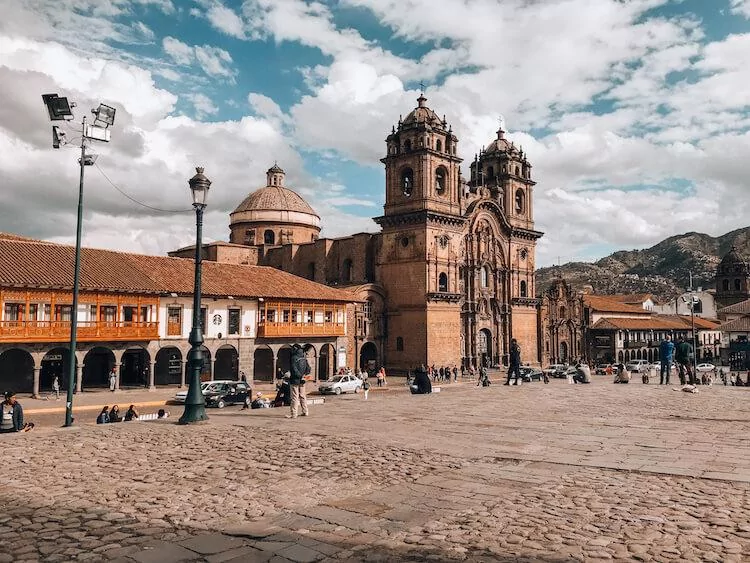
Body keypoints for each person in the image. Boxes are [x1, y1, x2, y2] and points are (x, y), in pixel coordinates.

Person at [287, 344, 310, 419]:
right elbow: (308, 368)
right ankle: (305, 411)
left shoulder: (294, 358)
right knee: (303, 396)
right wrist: (303, 376)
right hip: (302, 380)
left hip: (295, 380)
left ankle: (294, 414)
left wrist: (299, 376)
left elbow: (294, 369)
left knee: (294, 397)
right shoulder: (303, 357)